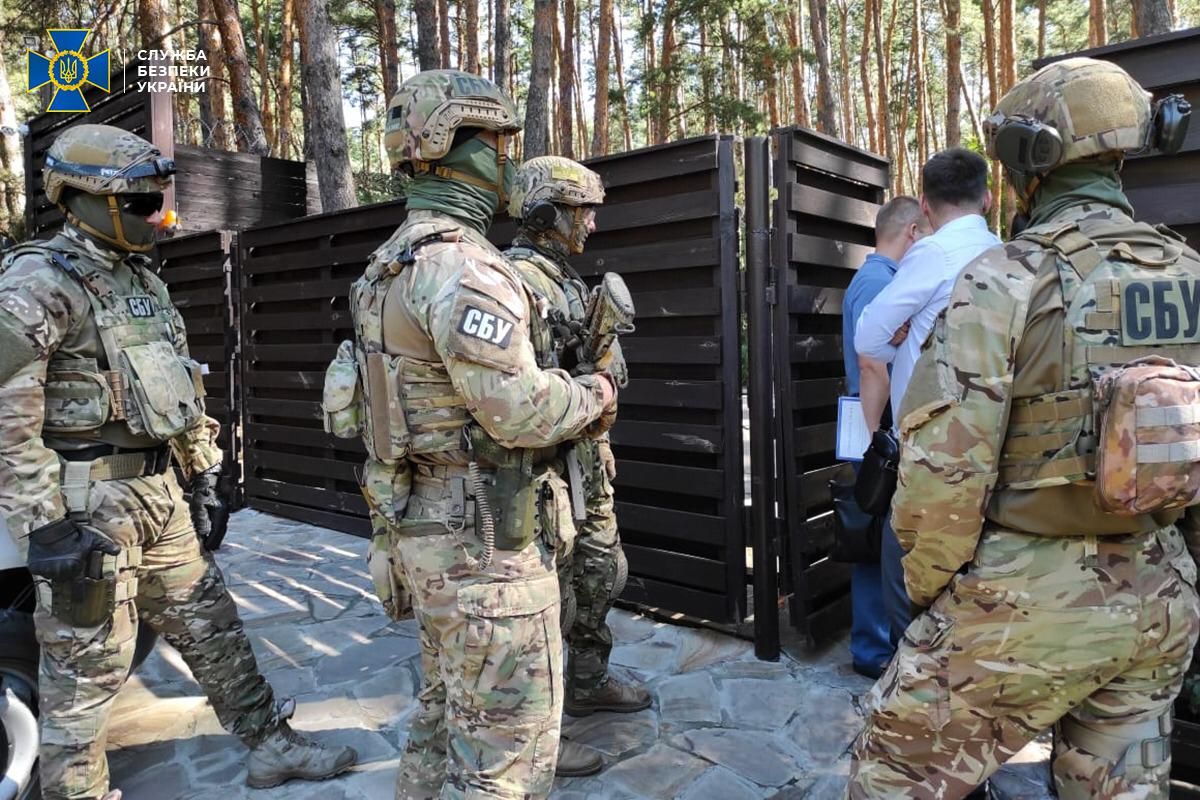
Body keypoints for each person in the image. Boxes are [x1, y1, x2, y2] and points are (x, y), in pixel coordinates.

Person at [847, 57, 1200, 799]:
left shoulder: (1007, 277)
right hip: (1160, 599)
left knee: (889, 779)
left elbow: (941, 475)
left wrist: (937, 596)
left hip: (1024, 604)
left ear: (1029, 162)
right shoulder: (1190, 274)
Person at [0, 124, 357, 800]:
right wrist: (43, 526)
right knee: (83, 670)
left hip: (158, 493)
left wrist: (203, 469)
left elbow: (176, 383)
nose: (154, 216)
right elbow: (8, 419)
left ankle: (269, 744)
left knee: (210, 623)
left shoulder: (140, 280)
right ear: (81, 199)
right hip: (87, 507)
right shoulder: (36, 279)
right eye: (137, 203)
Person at [333, 71, 617, 799]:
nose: (507, 163)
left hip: (424, 531)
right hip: (485, 545)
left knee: (442, 715)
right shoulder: (464, 266)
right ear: (452, 146)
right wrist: (595, 392)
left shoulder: (386, 264)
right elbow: (517, 410)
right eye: (497, 143)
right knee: (506, 764)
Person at [503, 156, 652, 777]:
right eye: (581, 211)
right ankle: (540, 730)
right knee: (550, 604)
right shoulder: (514, 282)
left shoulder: (566, 283)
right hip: (544, 477)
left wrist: (599, 367)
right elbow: (520, 395)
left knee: (599, 577)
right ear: (545, 214)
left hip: (587, 464)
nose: (590, 224)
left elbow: (604, 370)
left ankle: (588, 680)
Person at [853, 148, 999, 647]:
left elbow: (868, 339)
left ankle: (908, 701)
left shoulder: (932, 256)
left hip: (932, 454)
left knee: (908, 586)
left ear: (925, 205)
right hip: (997, 451)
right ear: (988, 197)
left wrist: (904, 334)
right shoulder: (1011, 255)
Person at [841, 195, 929, 679]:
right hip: (878, 432)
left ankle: (875, 644)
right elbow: (874, 362)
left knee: (876, 537)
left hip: (875, 429)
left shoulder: (876, 279)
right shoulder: (879, 283)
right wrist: (881, 440)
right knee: (877, 540)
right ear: (913, 231)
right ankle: (873, 649)